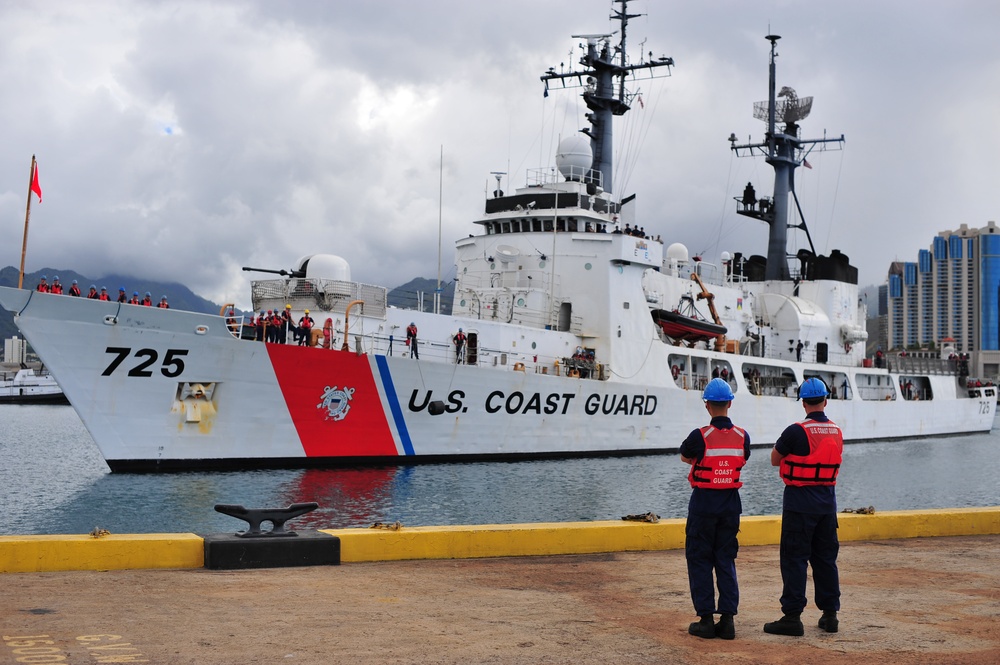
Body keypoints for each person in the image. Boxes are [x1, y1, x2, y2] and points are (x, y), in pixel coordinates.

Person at [763, 378, 842, 637]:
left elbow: (775, 460)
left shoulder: (796, 431)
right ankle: (830, 615)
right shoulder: (836, 431)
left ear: (803, 403)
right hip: (827, 506)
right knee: (825, 560)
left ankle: (792, 617)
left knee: (795, 559)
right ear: (825, 401)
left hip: (799, 505)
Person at [679, 378, 750, 640]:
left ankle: (706, 620)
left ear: (707, 406)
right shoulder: (743, 436)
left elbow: (686, 456)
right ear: (729, 403)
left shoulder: (700, 436)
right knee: (725, 559)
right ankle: (728, 619)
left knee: (699, 560)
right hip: (730, 505)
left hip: (703, 504)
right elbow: (742, 458)